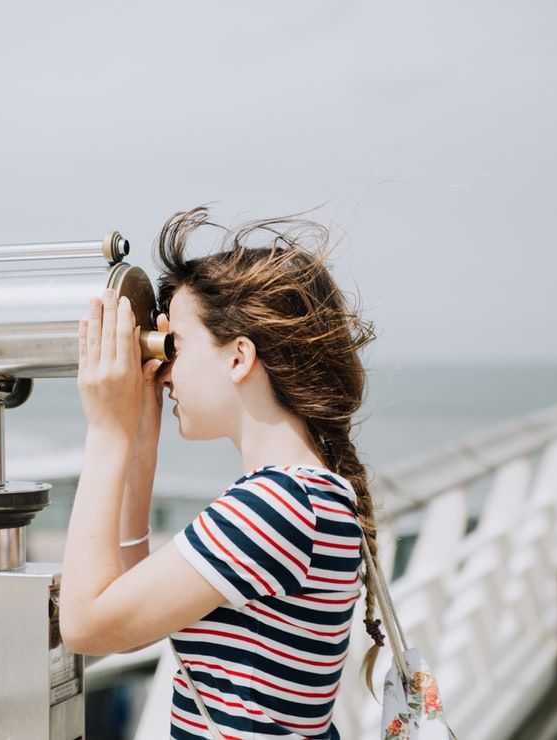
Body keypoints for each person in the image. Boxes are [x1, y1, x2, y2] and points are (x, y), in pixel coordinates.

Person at [60, 206, 380, 739]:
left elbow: (84, 626)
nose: (163, 371)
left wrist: (106, 430)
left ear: (238, 357)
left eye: (175, 346)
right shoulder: (311, 494)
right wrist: (140, 440)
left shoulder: (276, 506)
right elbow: (126, 627)